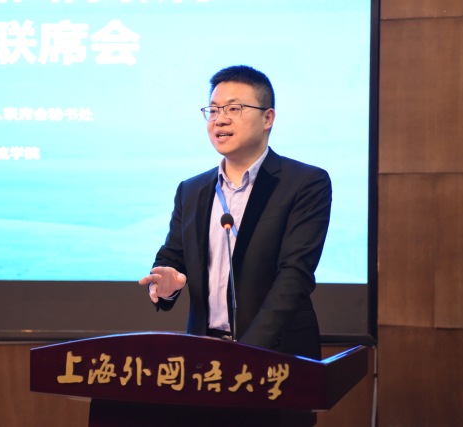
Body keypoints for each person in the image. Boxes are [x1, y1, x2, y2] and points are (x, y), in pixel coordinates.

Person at [138, 65, 331, 360]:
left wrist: (245, 353)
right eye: (213, 110)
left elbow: (295, 276)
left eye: (234, 108)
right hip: (205, 353)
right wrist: (167, 284)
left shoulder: (305, 183)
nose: (220, 119)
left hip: (277, 354)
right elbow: (172, 259)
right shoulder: (191, 190)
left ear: (268, 118)